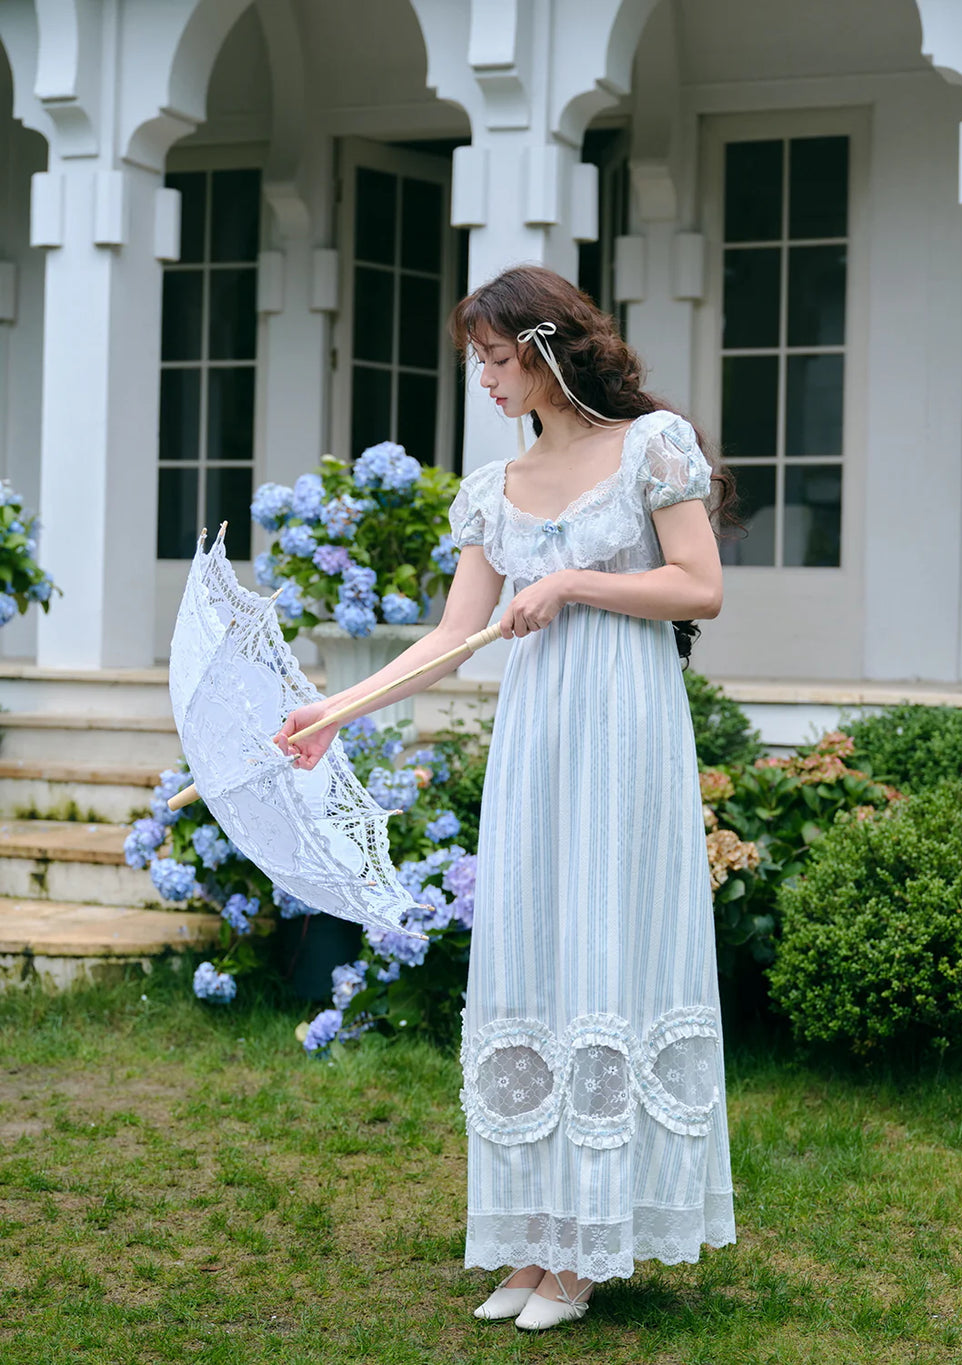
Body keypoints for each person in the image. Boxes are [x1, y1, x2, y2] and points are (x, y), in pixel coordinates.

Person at [276, 264, 736, 1332]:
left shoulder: (652, 445)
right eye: (475, 362)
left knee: (605, 951)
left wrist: (571, 583)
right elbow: (452, 636)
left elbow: (698, 586)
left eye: (492, 359)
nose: (482, 380)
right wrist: (334, 710)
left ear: (544, 349)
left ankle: (588, 1246)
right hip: (538, 742)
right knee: (534, 954)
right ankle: (536, 1237)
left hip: (624, 729)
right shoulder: (494, 487)